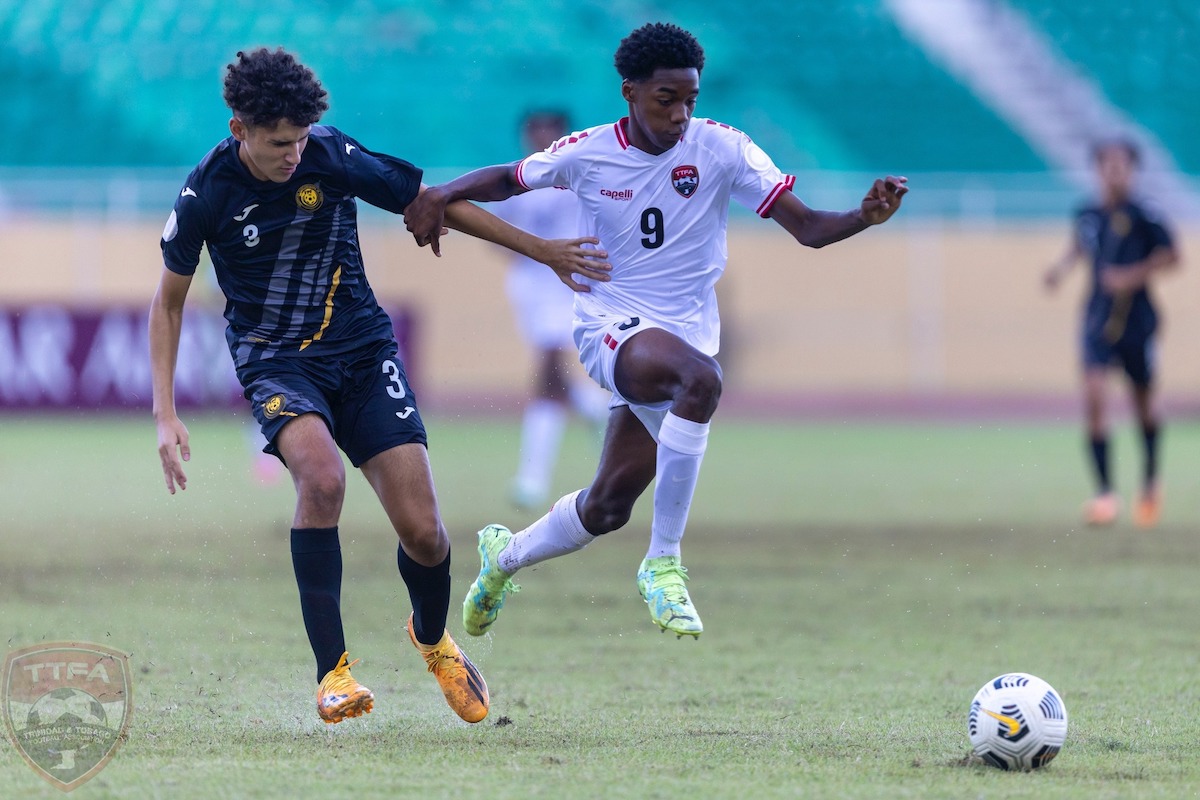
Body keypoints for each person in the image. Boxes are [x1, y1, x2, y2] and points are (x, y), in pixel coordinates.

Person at [149, 47, 609, 725]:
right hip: (277, 361)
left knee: (425, 534)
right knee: (322, 480)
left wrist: (544, 252)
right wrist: (165, 413)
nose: (293, 156)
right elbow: (167, 303)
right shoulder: (206, 192)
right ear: (238, 128)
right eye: (280, 143)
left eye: (301, 140)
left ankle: (431, 638)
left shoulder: (330, 156)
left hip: (362, 353)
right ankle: (332, 674)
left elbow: (431, 202)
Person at [404, 22, 907, 639]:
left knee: (607, 506)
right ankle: (664, 562)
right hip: (608, 323)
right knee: (702, 382)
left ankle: (502, 561)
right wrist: (439, 194)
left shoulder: (723, 148)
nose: (680, 113)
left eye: (690, 99)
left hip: (683, 332)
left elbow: (808, 229)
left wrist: (865, 215)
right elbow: (510, 178)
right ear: (630, 92)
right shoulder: (588, 151)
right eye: (665, 99)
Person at [1044, 138, 1179, 528]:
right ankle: (1105, 494)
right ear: (1098, 168)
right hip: (1097, 317)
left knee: (1143, 405)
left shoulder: (1145, 213)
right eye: (1108, 164)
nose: (1115, 171)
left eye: (1122, 165)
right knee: (1094, 396)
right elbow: (1081, 246)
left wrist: (1130, 276)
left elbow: (1172, 255)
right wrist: (1060, 270)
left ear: (1132, 169)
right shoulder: (1087, 213)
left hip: (1138, 319)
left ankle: (1151, 482)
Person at [492, 110, 610, 511]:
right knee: (553, 374)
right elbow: (497, 232)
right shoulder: (516, 180)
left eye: (549, 130)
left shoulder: (581, 176)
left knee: (548, 371)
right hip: (531, 288)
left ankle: (533, 478)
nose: (541, 136)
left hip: (572, 285)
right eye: (535, 130)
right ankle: (594, 408)